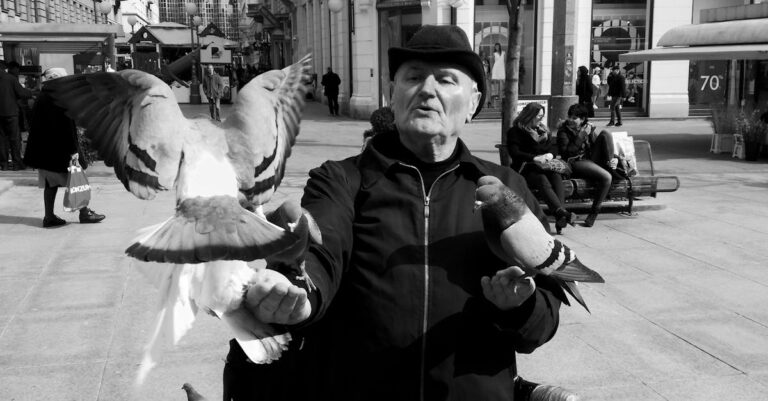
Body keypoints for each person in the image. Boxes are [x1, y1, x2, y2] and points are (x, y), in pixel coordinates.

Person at [227, 24, 563, 401]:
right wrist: (300, 289)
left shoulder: (506, 189)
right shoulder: (342, 179)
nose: (428, 89)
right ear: (393, 94)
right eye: (414, 77)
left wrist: (519, 307)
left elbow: (543, 321)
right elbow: (322, 247)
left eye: (447, 80)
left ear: (472, 102)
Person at [22, 68, 105, 228]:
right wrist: (74, 150)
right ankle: (84, 212)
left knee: (50, 184)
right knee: (77, 177)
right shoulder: (60, 97)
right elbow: (67, 126)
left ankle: (49, 216)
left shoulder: (42, 96)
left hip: (44, 149)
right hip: (60, 149)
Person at [507, 102, 574, 234]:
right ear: (529, 115)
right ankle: (561, 213)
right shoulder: (515, 131)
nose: (541, 119)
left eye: (542, 116)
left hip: (544, 166)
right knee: (542, 179)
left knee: (556, 175)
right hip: (525, 168)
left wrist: (550, 154)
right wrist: (534, 158)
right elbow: (514, 152)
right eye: (538, 116)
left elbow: (553, 149)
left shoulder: (543, 131)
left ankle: (560, 214)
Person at [557, 104, 620, 227]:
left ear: (582, 119)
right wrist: (582, 135)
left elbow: (602, 145)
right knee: (607, 177)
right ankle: (594, 213)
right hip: (575, 162)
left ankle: (611, 164)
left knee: (606, 133)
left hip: (590, 159)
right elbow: (568, 152)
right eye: (570, 116)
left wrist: (614, 159)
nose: (570, 119)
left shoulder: (587, 128)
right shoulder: (563, 131)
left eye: (574, 118)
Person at [0, 60, 34, 170]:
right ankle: (16, 163)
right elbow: (21, 93)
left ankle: (4, 164)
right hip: (11, 113)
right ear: (3, 67)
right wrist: (31, 93)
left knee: (1, 139)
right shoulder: (10, 79)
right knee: (14, 138)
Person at [490, 42, 505, 108]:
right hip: (496, 70)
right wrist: (491, 71)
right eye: (495, 47)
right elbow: (493, 63)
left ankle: (502, 101)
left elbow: (505, 61)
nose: (497, 48)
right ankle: (495, 104)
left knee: (502, 87)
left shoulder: (504, 53)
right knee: (496, 88)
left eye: (498, 46)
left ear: (500, 46)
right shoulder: (494, 54)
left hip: (502, 69)